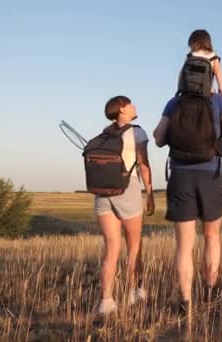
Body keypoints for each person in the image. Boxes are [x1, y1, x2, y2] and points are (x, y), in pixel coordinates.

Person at [153, 92, 222, 316]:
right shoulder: (217, 100)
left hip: (181, 175)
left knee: (184, 244)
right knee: (211, 236)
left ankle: (185, 300)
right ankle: (210, 291)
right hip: (210, 175)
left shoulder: (174, 101)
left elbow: (159, 138)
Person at [94, 96, 155, 315]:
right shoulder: (137, 132)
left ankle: (106, 301)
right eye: (131, 104)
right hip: (127, 189)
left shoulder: (104, 133)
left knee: (111, 250)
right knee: (134, 247)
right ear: (122, 109)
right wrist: (149, 193)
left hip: (102, 194)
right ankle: (133, 292)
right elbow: (144, 166)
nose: (135, 106)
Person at [178, 29, 222, 96]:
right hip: (208, 93)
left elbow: (182, 73)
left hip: (188, 92)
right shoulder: (213, 56)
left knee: (171, 104)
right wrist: (221, 87)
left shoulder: (190, 56)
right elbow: (218, 72)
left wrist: (179, 89)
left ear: (193, 43)